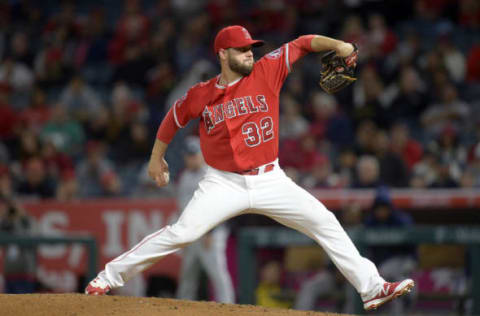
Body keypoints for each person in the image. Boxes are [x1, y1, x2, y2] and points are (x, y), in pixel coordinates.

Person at [85, 25, 414, 311]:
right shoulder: (202, 94)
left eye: (251, 49)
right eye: (242, 50)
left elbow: (301, 43)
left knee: (324, 220)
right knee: (183, 233)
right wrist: (156, 158)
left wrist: (339, 45)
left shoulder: (267, 70)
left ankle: (371, 287)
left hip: (271, 179)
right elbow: (173, 119)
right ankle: (107, 278)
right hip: (222, 183)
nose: (250, 54)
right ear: (223, 54)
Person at [175, 136, 234, 303]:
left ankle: (229, 307)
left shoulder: (212, 173)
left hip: (211, 233)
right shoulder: (185, 176)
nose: (191, 158)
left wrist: (210, 231)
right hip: (192, 232)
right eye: (188, 155)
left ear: (202, 154)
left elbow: (219, 206)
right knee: (188, 273)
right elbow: (182, 208)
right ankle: (180, 309)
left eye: (194, 154)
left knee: (217, 272)